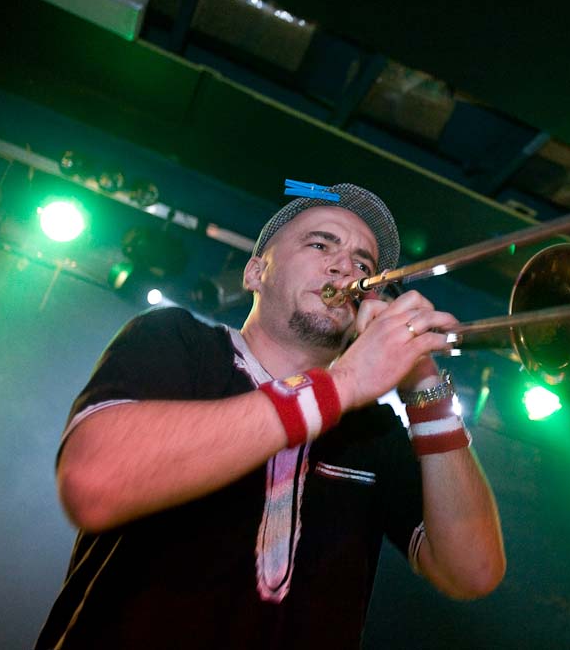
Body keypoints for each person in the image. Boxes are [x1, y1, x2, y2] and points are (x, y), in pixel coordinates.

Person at [35, 182, 506, 649]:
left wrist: (424, 385)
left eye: (364, 264)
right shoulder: (181, 342)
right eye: (320, 244)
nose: (346, 268)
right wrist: (343, 383)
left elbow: (474, 572)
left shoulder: (371, 429)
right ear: (255, 272)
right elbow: (93, 482)